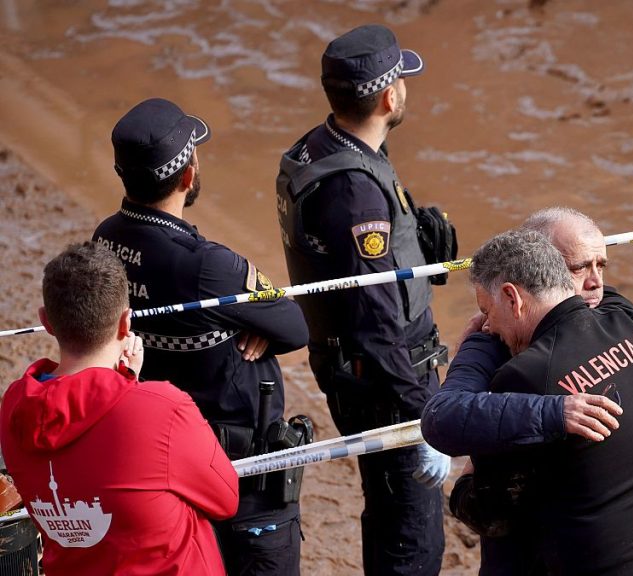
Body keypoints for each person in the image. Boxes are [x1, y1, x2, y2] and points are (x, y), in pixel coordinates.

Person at [422, 209, 633, 575]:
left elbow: (489, 510)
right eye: (581, 267)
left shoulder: (527, 377)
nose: (595, 283)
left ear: (513, 297)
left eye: (486, 311)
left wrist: (476, 347)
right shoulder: (627, 317)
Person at [92, 98, 309, 576]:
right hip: (235, 466)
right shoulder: (209, 266)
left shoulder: (104, 239)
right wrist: (253, 324)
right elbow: (295, 326)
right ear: (188, 175)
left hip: (152, 454)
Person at [275, 24, 452, 575]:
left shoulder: (323, 147)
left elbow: (348, 263)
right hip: (388, 382)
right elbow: (376, 323)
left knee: (390, 513)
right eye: (402, 79)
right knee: (413, 536)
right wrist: (426, 421)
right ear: (387, 95)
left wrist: (415, 240)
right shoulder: (353, 191)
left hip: (356, 370)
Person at [0, 242, 239, 575]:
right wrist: (132, 388)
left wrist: (125, 385)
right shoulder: (164, 409)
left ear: (47, 322)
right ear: (126, 323)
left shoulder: (13, 407)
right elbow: (226, 499)